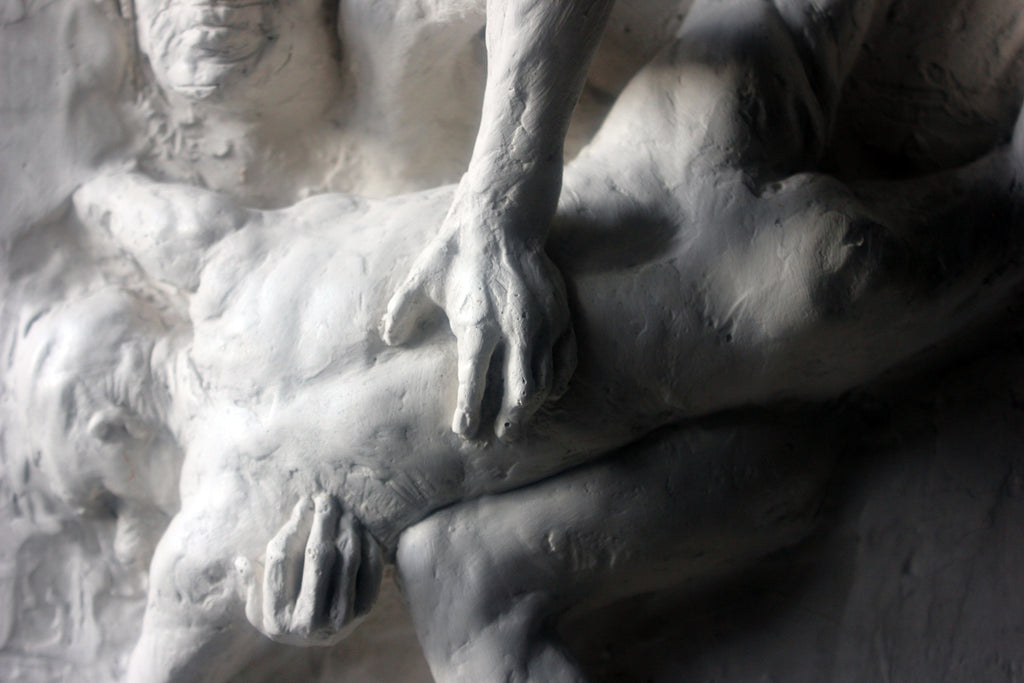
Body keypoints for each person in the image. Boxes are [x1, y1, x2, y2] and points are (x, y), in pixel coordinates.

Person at [12, 76, 1024, 678]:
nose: (88, 380)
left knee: (788, 180)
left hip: (632, 190)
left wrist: (89, 182)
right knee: (838, 278)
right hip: (691, 384)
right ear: (98, 459)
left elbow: (111, 194)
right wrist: (292, 618)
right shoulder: (208, 543)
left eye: (51, 351)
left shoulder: (218, 276)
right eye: (61, 397)